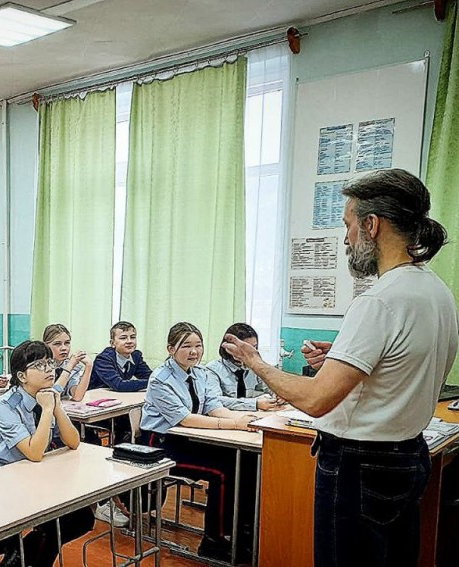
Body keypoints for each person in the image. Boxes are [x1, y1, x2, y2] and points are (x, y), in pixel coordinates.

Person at [223, 169, 457, 567]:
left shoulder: (379, 301)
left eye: (348, 225)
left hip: (360, 467)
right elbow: (404, 360)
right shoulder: (436, 291)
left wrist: (255, 362)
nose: (346, 238)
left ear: (372, 225)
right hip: (407, 457)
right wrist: (343, 356)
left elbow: (316, 400)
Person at [139, 322, 258, 561]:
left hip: (189, 438)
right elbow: (185, 419)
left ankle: (242, 531)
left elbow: (214, 407)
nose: (194, 351)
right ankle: (214, 540)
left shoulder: (200, 373)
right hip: (160, 443)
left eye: (198, 345)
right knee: (222, 472)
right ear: (171, 349)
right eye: (186, 346)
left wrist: (245, 420)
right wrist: (234, 425)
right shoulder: (160, 378)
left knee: (247, 460)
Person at [0, 340, 95, 567]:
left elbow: (73, 442)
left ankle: (20, 556)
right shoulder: (6, 406)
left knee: (81, 517)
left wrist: (56, 406)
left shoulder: (47, 396)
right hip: (1, 478)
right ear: (22, 376)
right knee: (55, 523)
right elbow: (34, 452)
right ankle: (18, 556)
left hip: (32, 474)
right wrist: (48, 409)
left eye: (50, 363)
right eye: (40, 365)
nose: (49, 369)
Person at [206, 323, 283, 411]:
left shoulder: (254, 366)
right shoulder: (212, 370)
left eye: (254, 347)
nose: (250, 352)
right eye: (245, 348)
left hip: (254, 414)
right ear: (229, 347)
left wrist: (278, 394)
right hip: (225, 416)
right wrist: (255, 404)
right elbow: (214, 400)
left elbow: (270, 387)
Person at [42, 324, 93, 401]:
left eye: (67, 343)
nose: (64, 348)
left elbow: (77, 396)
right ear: (46, 345)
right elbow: (50, 397)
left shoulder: (72, 366)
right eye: (57, 344)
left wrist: (89, 366)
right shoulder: (39, 367)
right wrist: (70, 366)